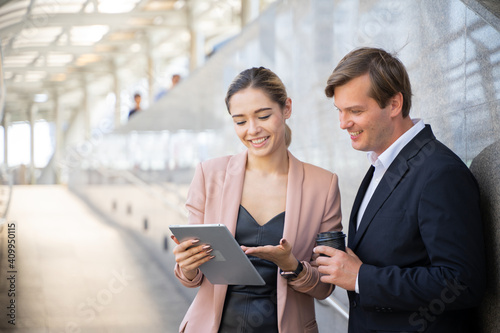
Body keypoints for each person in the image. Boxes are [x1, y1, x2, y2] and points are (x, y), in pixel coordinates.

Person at [315, 47, 486, 332]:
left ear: (394, 104)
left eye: (355, 111)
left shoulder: (440, 172)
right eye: (340, 111)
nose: (343, 123)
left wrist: (361, 278)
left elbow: (461, 283)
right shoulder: (380, 165)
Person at [172, 67, 342, 333]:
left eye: (263, 116)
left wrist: (293, 266)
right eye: (240, 121)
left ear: (286, 108)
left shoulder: (323, 185)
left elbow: (324, 287)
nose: (252, 130)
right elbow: (191, 279)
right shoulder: (209, 175)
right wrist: (187, 265)